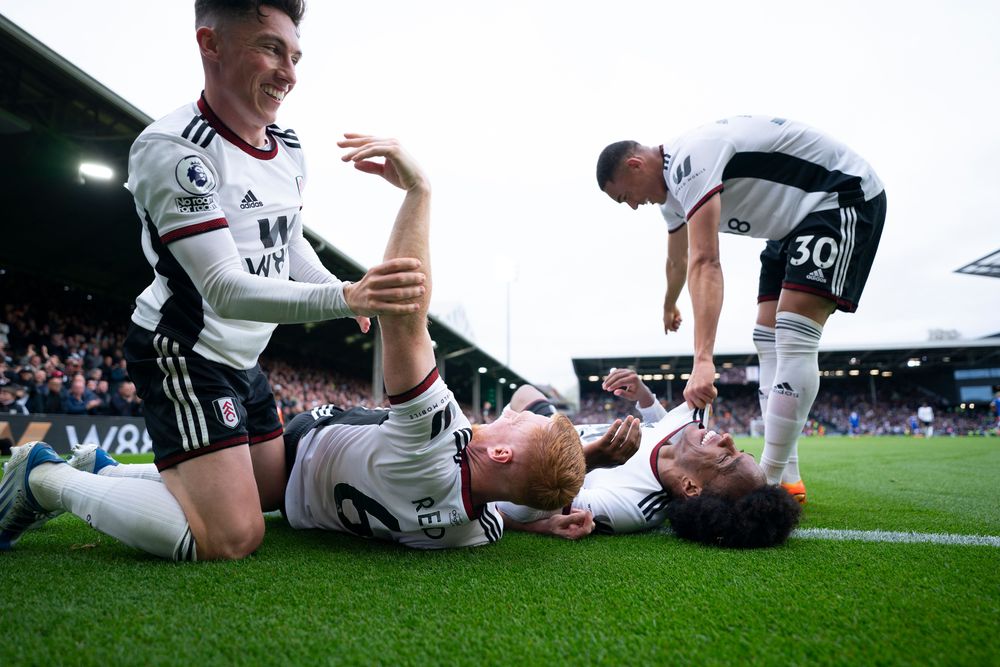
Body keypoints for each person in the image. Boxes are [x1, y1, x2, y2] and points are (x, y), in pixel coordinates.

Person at [5, 135, 588, 552]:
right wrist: (549, 501)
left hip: (300, 453)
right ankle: (106, 470)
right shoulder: (471, 530)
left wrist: (419, 192)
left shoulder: (437, 439)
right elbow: (499, 510)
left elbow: (406, 310)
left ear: (504, 454)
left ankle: (46, 477)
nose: (513, 411)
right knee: (237, 494)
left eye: (520, 422)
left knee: (226, 534)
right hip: (300, 485)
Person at [0, 1, 427, 561]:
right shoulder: (175, 149)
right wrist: (343, 295)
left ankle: (102, 471)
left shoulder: (288, 146)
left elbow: (287, 241)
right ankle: (40, 477)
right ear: (211, 44)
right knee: (232, 536)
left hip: (241, 359)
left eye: (295, 55)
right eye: (271, 49)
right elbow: (224, 286)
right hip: (183, 349)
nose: (290, 73)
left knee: (271, 491)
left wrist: (341, 293)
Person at [597, 116, 887, 503]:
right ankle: (788, 477)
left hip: (837, 195)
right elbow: (678, 262)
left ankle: (764, 484)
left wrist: (703, 359)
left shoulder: (690, 159)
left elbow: (706, 261)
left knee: (792, 333)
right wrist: (670, 303)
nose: (633, 206)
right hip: (789, 227)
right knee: (766, 338)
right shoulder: (673, 199)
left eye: (624, 197)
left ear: (635, 165)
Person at [498, 369, 801, 548]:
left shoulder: (632, 507)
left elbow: (525, 505)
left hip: (536, 453)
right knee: (525, 392)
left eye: (725, 459)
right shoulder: (691, 425)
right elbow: (663, 422)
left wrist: (589, 459)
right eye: (739, 450)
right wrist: (644, 396)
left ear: (691, 487)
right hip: (560, 424)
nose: (727, 440)